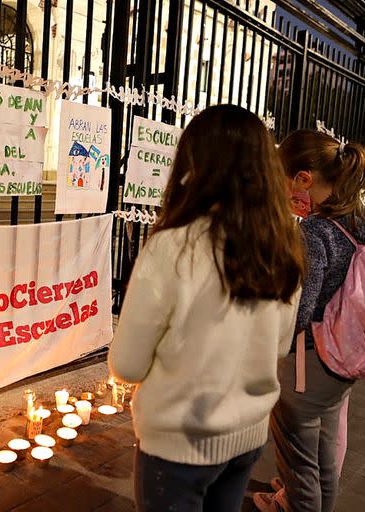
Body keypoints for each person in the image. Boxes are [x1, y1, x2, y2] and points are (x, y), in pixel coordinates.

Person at [108, 105, 305, 512]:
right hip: (247, 438)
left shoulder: (172, 246)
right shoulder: (284, 249)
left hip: (177, 445)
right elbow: (280, 347)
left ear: (192, 165)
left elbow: (127, 364)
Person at [254, 130, 365, 512]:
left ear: (304, 179)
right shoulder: (360, 224)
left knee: (301, 471)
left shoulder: (316, 232)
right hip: (344, 360)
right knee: (323, 466)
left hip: (309, 365)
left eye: (282, 181)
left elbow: (300, 312)